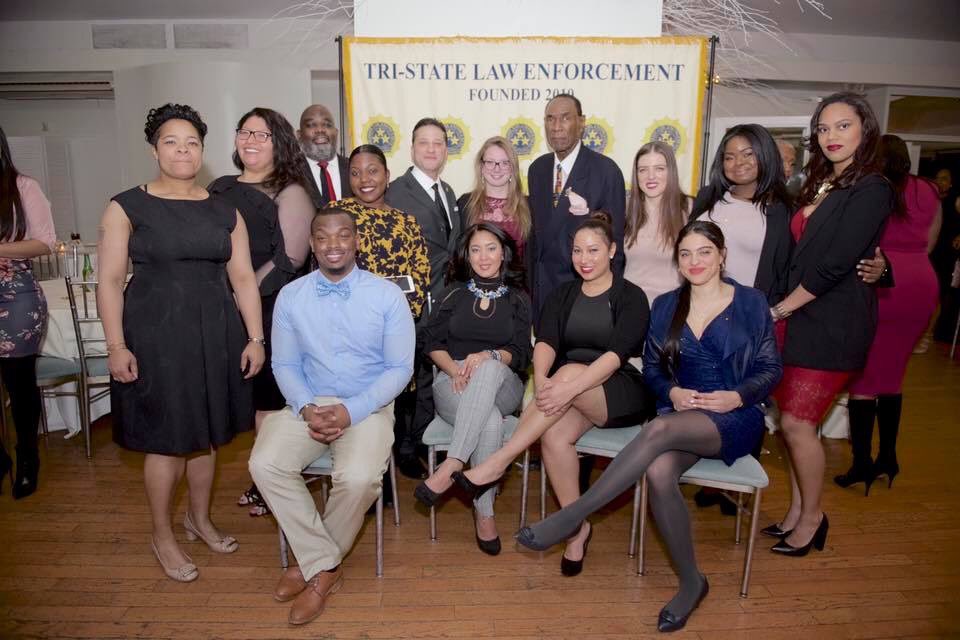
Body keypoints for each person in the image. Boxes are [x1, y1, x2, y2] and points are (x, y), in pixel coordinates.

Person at [512, 220, 782, 633]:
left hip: (734, 416)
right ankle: (692, 582)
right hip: (682, 412)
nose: (694, 261)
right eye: (685, 254)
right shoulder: (667, 305)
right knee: (657, 470)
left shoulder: (751, 302)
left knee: (657, 431)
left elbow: (770, 368)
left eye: (704, 252)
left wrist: (737, 396)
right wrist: (672, 392)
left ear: (722, 255)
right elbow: (653, 370)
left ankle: (575, 515)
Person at [98, 103, 265, 582]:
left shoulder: (225, 210)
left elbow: (243, 279)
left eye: (192, 142)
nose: (182, 150)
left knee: (207, 435)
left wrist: (255, 337)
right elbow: (109, 281)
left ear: (203, 151)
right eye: (171, 142)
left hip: (216, 332)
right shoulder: (126, 206)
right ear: (154, 150)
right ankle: (162, 533)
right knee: (167, 439)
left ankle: (198, 518)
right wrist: (116, 345)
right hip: (155, 335)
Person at [452, 213, 653, 576]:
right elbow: (546, 341)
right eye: (577, 250)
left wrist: (567, 385)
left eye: (593, 250)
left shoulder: (631, 296)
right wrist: (543, 379)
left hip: (619, 388)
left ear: (612, 250)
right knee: (554, 437)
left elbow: (615, 356)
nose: (584, 258)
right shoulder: (563, 294)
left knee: (571, 370)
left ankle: (499, 461)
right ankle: (576, 529)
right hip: (566, 391)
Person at [248, 206, 415, 626]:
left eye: (342, 235)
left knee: (358, 478)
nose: (333, 245)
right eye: (322, 237)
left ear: (356, 241)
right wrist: (307, 408)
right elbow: (285, 364)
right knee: (264, 463)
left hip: (368, 404)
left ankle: (313, 569)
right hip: (308, 401)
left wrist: (350, 410)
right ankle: (323, 562)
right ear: (312, 244)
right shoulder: (292, 296)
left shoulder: (387, 295)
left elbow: (400, 369)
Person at [766, 92, 895, 556]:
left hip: (831, 323)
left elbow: (838, 262)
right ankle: (797, 512)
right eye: (823, 128)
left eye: (843, 126)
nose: (831, 136)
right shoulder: (822, 183)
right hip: (801, 319)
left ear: (865, 130)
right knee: (794, 426)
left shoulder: (872, 188)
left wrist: (781, 309)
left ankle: (813, 519)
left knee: (798, 423)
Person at [209, 107, 315, 518]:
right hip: (215, 306)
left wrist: (243, 293)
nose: (250, 140)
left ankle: (268, 482)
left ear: (280, 143)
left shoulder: (290, 191)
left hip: (271, 306)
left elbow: (290, 259)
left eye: (262, 134)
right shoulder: (218, 188)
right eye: (245, 132)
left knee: (266, 398)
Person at [413, 223, 532, 555]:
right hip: (453, 383)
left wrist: (487, 357)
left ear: (504, 253)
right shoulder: (453, 293)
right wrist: (455, 369)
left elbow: (522, 353)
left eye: (491, 248)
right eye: (476, 249)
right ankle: (485, 513)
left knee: (489, 366)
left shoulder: (519, 298)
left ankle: (452, 463)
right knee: (489, 421)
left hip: (503, 384)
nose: (484, 257)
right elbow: (430, 343)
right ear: (467, 255)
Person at [839, 135, 940, 491]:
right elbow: (931, 241)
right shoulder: (928, 189)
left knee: (864, 378)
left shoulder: (873, 189)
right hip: (921, 280)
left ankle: (862, 464)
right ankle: (888, 458)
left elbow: (858, 240)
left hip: (881, 278)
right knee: (894, 375)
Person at [331, 145, 430, 482]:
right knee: (363, 395)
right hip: (349, 328)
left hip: (398, 325)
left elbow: (419, 275)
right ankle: (375, 468)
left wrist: (398, 319)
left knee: (401, 390)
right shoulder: (337, 215)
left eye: (372, 170)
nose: (365, 179)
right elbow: (327, 270)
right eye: (355, 172)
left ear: (387, 176)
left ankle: (403, 450)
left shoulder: (407, 222)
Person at [386, 118, 462, 478]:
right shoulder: (396, 192)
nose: (432, 149)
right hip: (411, 302)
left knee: (431, 375)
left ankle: (422, 441)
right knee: (408, 377)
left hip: (444, 300)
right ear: (412, 148)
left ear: (446, 150)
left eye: (438, 143)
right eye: (424, 142)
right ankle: (403, 448)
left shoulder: (447, 191)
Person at [527, 94, 627, 322]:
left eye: (565, 118)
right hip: (543, 298)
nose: (556, 127)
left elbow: (616, 248)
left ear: (582, 123)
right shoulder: (537, 169)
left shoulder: (606, 172)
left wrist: (608, 303)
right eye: (550, 119)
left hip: (585, 298)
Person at [0, 124, 56, 499]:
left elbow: (45, 242)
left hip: (14, 295)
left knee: (19, 384)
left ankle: (27, 458)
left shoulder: (22, 187)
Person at [693, 124, 792, 307]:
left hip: (745, 312)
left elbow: (786, 273)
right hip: (697, 305)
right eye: (729, 157)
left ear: (765, 154)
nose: (738, 162)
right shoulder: (707, 196)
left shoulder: (781, 211)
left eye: (748, 154)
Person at [622, 140, 690, 304]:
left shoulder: (690, 208)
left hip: (673, 308)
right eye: (643, 170)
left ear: (671, 171)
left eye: (659, 168)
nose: (650, 176)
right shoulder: (625, 209)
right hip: (630, 307)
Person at [456, 136, 532, 266]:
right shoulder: (465, 203)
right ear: (481, 166)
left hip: (519, 278)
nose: (497, 169)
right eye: (490, 162)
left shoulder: (530, 205)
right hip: (474, 279)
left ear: (512, 168)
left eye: (504, 163)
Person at [298, 104, 352, 209]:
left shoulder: (353, 169)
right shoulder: (288, 173)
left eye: (327, 125)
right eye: (311, 125)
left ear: (336, 132)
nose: (320, 130)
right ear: (299, 135)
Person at [930, 167, 960, 343]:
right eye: (937, 178)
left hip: (947, 253)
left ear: (950, 183)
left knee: (940, 292)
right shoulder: (931, 199)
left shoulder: (955, 199)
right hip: (931, 252)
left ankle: (932, 333)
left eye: (944, 178)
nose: (939, 181)